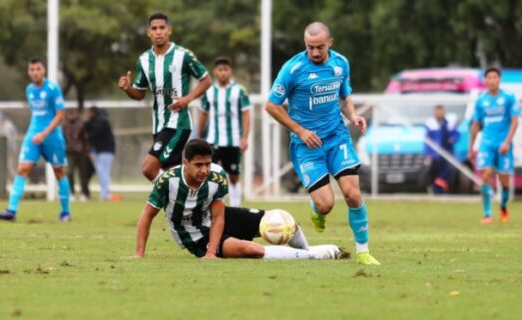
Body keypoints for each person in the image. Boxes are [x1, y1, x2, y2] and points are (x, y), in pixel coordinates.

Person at [264, 22, 380, 266]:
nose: (315, 52)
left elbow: (345, 96)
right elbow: (271, 105)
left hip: (337, 136)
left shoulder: (340, 64)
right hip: (307, 145)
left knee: (352, 194)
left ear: (330, 42)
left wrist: (354, 115)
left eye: (319, 47)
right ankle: (317, 210)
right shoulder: (293, 69)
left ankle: (363, 251)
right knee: (326, 204)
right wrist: (300, 130)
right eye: (310, 47)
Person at [133, 139, 345, 260]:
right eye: (199, 165)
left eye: (207, 164)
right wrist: (139, 254)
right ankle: (315, 256)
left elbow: (218, 216)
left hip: (220, 219)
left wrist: (212, 252)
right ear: (185, 162)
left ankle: (308, 250)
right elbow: (147, 216)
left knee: (283, 220)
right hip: (195, 236)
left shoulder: (217, 176)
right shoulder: (167, 181)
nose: (204, 170)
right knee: (248, 250)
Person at [118, 12, 212, 183]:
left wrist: (186, 99)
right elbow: (139, 94)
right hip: (159, 125)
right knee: (173, 173)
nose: (158, 32)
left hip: (178, 123)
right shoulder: (144, 60)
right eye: (154, 28)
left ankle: (176, 195)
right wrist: (127, 88)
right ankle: (187, 203)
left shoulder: (182, 55)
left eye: (162, 28)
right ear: (149, 32)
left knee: (148, 169)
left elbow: (206, 80)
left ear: (169, 30)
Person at [0, 58, 71, 222]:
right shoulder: (29, 89)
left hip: (52, 136)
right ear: (29, 72)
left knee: (59, 172)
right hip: (33, 134)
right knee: (22, 169)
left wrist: (44, 134)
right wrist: (36, 133)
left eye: (38, 69)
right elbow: (36, 114)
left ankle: (65, 212)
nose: (35, 72)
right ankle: (11, 211)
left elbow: (60, 115)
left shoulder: (53, 88)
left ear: (43, 71)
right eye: (32, 69)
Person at [469, 68, 520, 224]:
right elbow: (476, 124)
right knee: (485, 176)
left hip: (503, 145)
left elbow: (515, 121)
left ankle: (503, 206)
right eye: (489, 78)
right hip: (486, 144)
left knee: (504, 181)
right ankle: (487, 214)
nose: (492, 80)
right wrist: (471, 147)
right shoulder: (480, 101)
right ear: (485, 81)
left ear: (499, 80)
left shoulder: (508, 98)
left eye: (495, 77)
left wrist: (507, 142)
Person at [198, 57, 251, 207]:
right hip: (213, 140)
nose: (222, 73)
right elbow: (203, 114)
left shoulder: (239, 91)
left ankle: (235, 207)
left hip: (233, 140)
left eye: (225, 69)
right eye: (220, 70)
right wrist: (198, 137)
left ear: (230, 71)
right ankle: (207, 205)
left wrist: (245, 138)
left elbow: (246, 114)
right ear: (215, 72)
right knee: (208, 173)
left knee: (234, 176)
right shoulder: (209, 92)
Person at [424, 105, 459, 194]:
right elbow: (427, 139)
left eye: (441, 112)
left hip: (448, 151)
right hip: (436, 153)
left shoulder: (448, 123)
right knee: (436, 172)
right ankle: (437, 190)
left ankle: (441, 188)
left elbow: (456, 134)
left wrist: (452, 139)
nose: (439, 114)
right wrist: (428, 153)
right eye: (438, 112)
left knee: (449, 170)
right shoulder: (431, 124)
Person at [84, 106, 116, 201]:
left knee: (103, 172)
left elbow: (93, 135)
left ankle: (105, 194)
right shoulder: (96, 123)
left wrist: (88, 123)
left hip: (105, 151)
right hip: (99, 151)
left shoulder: (102, 122)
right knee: (102, 172)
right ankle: (104, 193)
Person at [63, 108, 93, 201]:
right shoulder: (63, 126)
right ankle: (71, 192)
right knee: (69, 172)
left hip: (81, 152)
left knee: (83, 174)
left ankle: (84, 193)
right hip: (69, 152)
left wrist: (88, 151)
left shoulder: (81, 125)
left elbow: (86, 139)